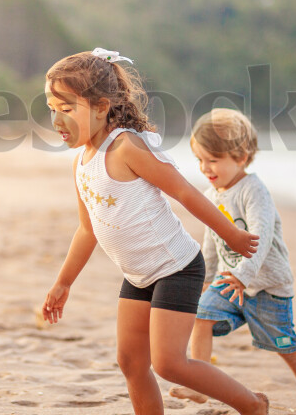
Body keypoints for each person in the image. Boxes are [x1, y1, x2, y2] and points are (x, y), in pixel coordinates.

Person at [40, 49, 269, 415]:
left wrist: (231, 234)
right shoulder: (81, 163)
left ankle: (253, 405)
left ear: (101, 107)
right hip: (138, 275)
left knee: (169, 364)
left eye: (67, 109)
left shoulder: (126, 147)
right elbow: (87, 229)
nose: (56, 119)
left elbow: (184, 191)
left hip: (176, 267)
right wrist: (64, 282)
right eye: (51, 107)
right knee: (131, 362)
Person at [169, 108, 296, 415]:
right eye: (200, 159)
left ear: (241, 156)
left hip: (267, 286)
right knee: (201, 315)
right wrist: (206, 279)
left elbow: (261, 237)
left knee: (285, 345)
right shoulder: (211, 194)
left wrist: (244, 273)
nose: (204, 168)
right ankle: (200, 385)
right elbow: (211, 241)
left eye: (212, 160)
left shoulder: (254, 190)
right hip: (230, 281)